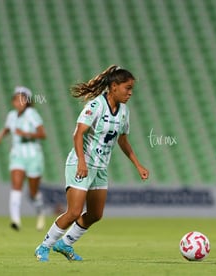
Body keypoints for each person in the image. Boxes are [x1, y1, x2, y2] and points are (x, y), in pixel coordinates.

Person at [34, 65, 149, 262]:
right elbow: (78, 134)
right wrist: (81, 162)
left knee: (96, 214)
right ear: (114, 86)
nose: (130, 93)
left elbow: (123, 140)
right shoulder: (96, 106)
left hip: (100, 168)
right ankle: (44, 246)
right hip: (82, 163)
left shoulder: (124, 112)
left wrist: (138, 165)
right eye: (127, 88)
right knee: (74, 212)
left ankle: (66, 243)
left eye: (132, 89)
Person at [0, 86, 47, 231]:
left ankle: (40, 212)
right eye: (16, 99)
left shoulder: (32, 114)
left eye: (22, 99)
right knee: (16, 185)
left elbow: (43, 134)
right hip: (17, 155)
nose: (19, 102)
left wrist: (26, 134)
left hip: (33, 156)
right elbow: (7, 128)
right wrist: (0, 135)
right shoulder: (11, 115)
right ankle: (15, 220)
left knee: (33, 191)